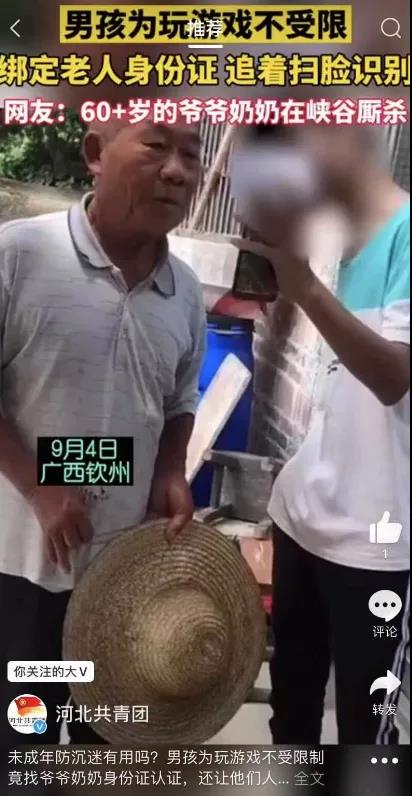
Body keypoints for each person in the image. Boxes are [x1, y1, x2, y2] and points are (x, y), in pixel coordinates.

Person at [0, 118, 206, 745]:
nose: (177, 171)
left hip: (122, 573)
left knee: (106, 740)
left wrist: (169, 469)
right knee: (26, 739)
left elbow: (179, 398)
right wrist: (40, 488)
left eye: (192, 155)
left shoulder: (185, 292)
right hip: (23, 569)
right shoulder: (20, 255)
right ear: (95, 152)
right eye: (157, 146)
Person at [234, 125, 410, 744]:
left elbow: (394, 378)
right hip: (302, 516)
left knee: (367, 731)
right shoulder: (347, 243)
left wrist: (305, 289)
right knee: (292, 715)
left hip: (375, 542)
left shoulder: (405, 233)